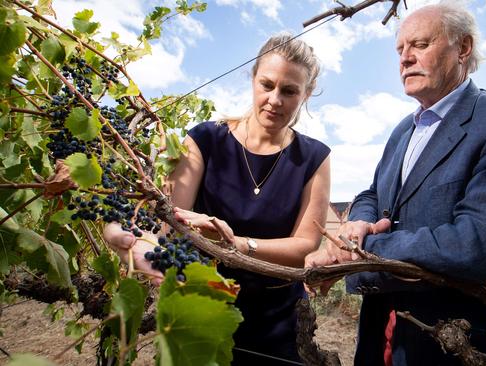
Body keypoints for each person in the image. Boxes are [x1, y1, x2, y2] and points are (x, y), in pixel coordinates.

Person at [305, 2, 486, 365]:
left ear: (462, 48)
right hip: (380, 330)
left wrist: (362, 252)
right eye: (400, 50)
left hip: (455, 342)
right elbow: (372, 194)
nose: (405, 59)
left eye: (419, 45)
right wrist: (357, 225)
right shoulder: (404, 128)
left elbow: (481, 244)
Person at [104, 33, 330, 365]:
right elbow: (170, 222)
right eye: (267, 85)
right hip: (203, 305)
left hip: (277, 321)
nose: (275, 99)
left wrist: (238, 245)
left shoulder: (314, 157)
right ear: (253, 79)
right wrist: (132, 237)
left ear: (306, 94)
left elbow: (305, 247)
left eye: (290, 91)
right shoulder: (205, 139)